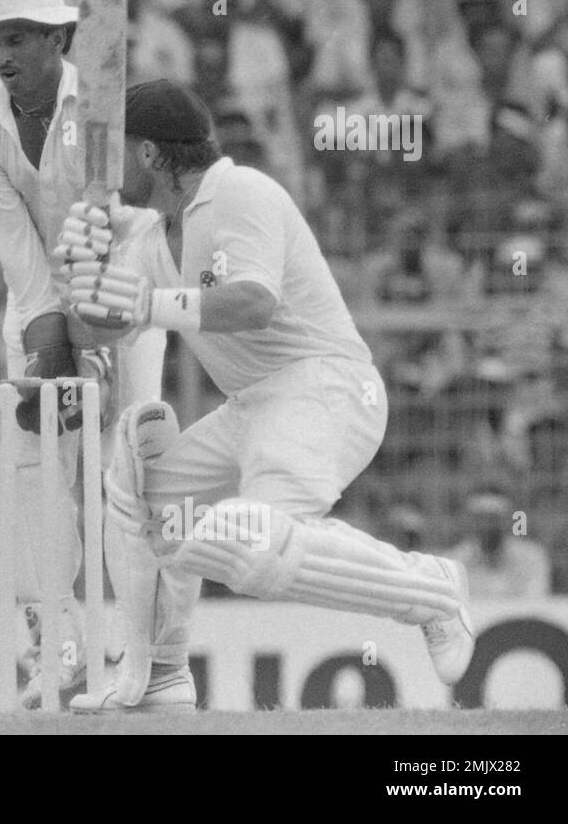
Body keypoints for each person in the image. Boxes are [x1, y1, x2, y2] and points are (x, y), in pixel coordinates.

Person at [58, 79, 475, 713]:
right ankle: (162, 672)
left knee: (249, 543)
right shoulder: (148, 235)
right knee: (145, 496)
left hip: (326, 387)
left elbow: (255, 301)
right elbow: (108, 326)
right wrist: (79, 282)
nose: (108, 174)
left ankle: (432, 589)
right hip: (251, 408)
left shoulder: (242, 192)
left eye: (117, 153)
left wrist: (150, 303)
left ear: (148, 153)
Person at [0, 0, 166, 708]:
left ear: (62, 38)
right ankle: (59, 633)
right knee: (27, 451)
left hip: (125, 295)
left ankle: (148, 658)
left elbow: (141, 220)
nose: (4, 57)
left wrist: (99, 329)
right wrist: (57, 345)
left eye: (19, 40)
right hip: (36, 298)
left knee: (130, 470)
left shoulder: (108, 107)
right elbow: (18, 253)